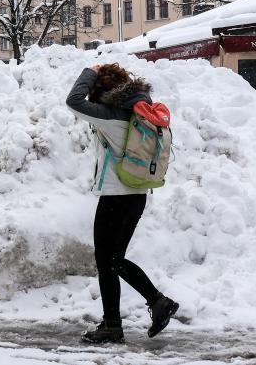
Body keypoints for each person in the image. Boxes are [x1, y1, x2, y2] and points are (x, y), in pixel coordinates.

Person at [66, 63, 179, 344]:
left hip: (115, 197)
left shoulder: (109, 114)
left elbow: (73, 101)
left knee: (107, 262)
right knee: (113, 261)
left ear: (101, 91)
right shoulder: (140, 111)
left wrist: (89, 72)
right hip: (136, 196)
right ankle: (125, 318)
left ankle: (133, 315)